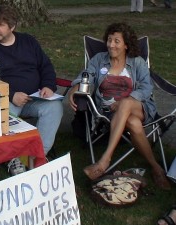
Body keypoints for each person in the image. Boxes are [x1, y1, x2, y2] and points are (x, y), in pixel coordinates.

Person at [68, 22, 171, 190]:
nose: (111, 45)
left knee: (126, 103)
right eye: (109, 40)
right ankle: (157, 168)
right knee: (133, 123)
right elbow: (86, 75)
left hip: (140, 108)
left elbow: (146, 88)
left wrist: (127, 101)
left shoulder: (137, 62)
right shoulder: (99, 60)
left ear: (126, 45)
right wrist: (75, 87)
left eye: (116, 41)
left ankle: (105, 159)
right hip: (108, 113)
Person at [0, 4, 63, 175]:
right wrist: (12, 94)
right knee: (2, 115)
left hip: (35, 98)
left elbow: (46, 66)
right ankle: (13, 157)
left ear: (12, 26)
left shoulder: (28, 42)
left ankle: (36, 157)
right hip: (5, 101)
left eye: (0, 25)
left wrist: (48, 86)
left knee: (55, 108)